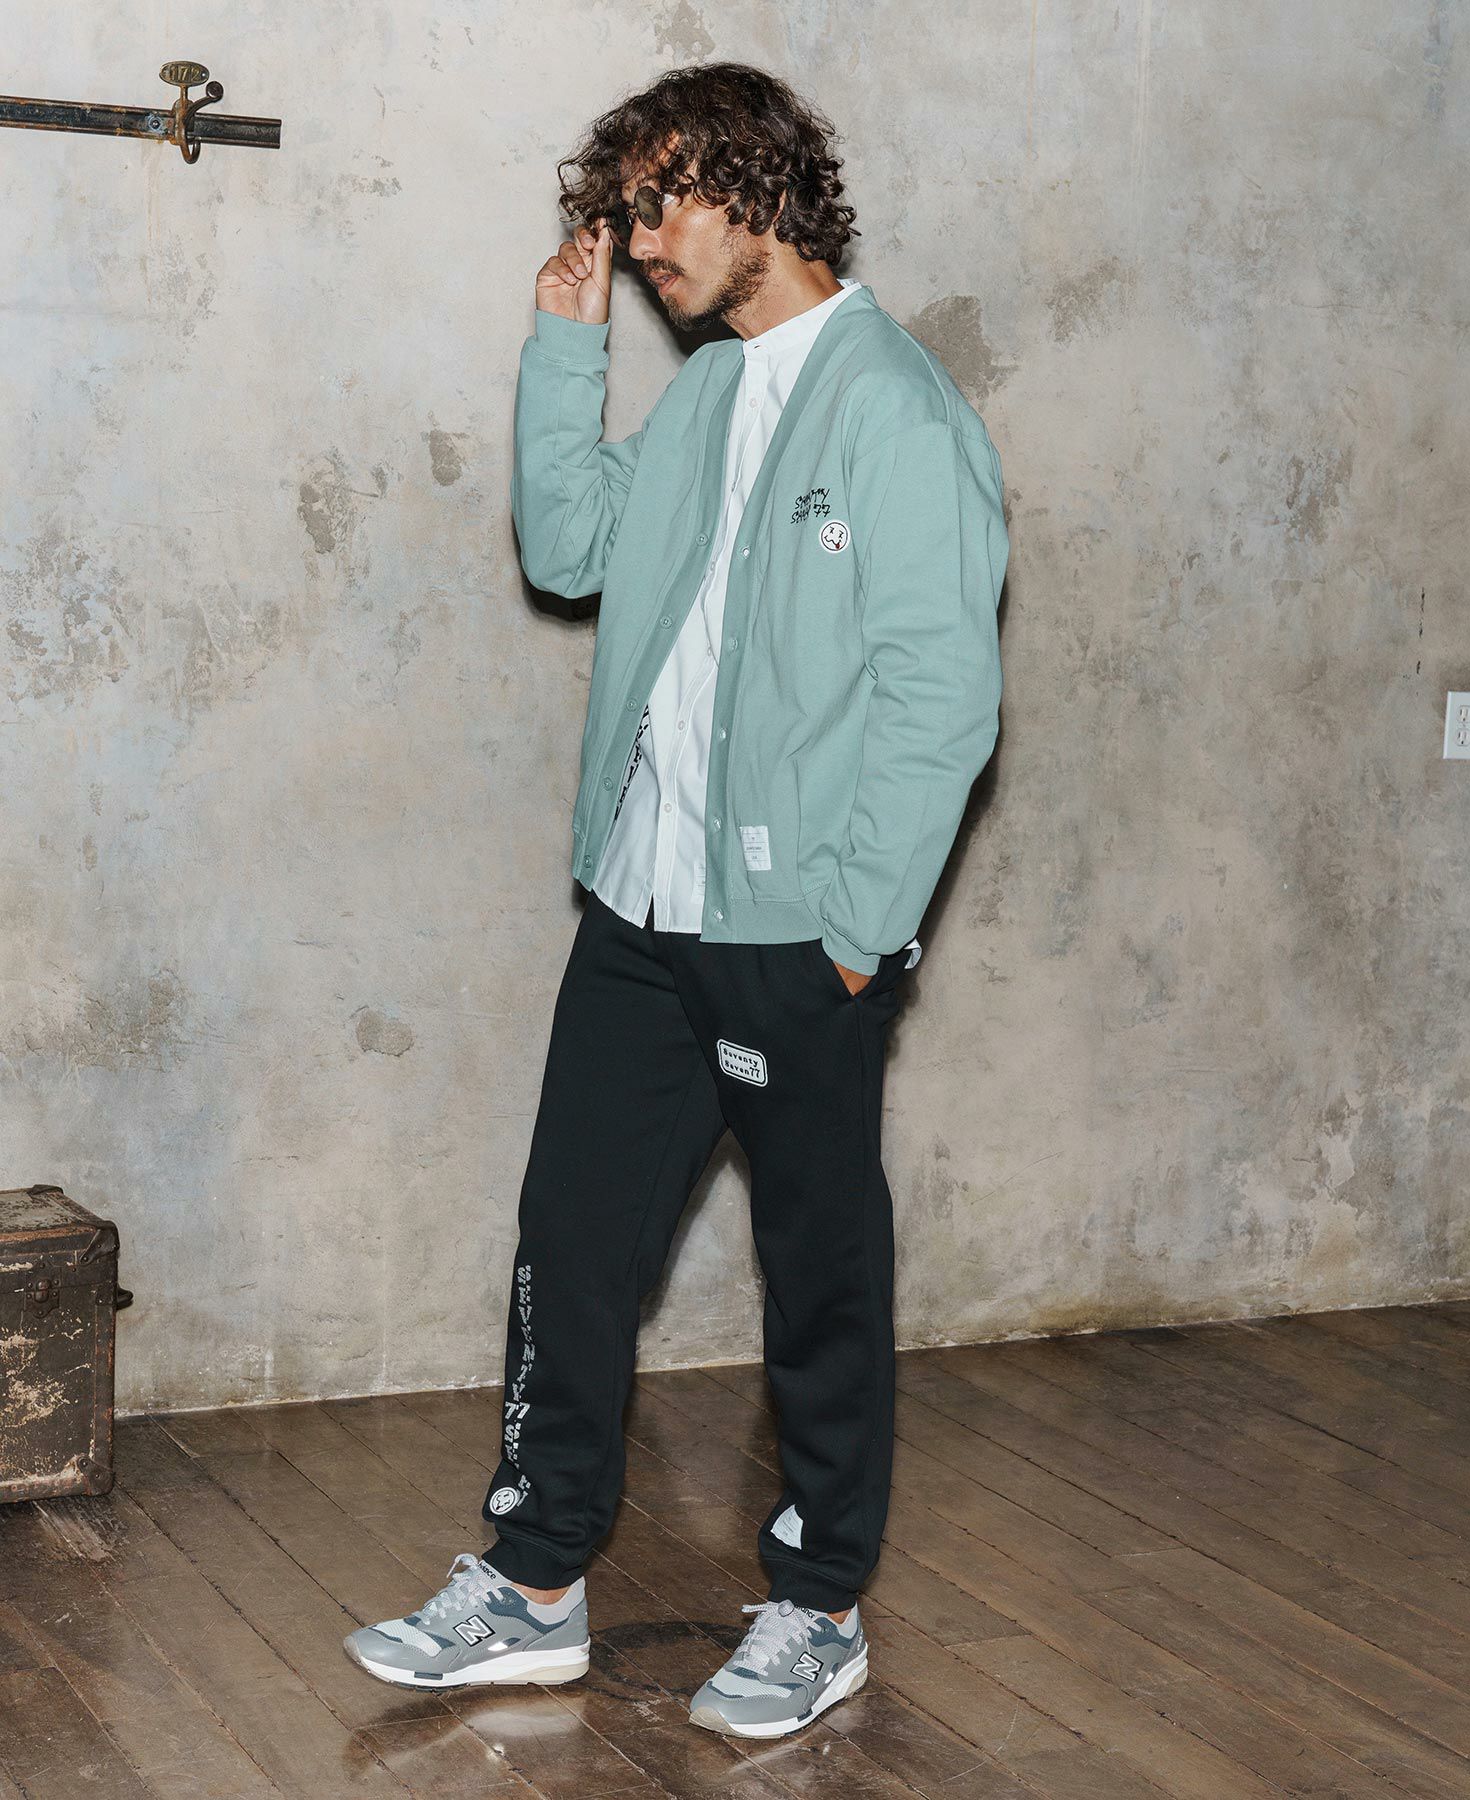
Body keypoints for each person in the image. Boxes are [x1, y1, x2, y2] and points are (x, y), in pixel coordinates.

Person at [344, 61, 1007, 1740]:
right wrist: (565, 349)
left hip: (798, 940)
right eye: (627, 213)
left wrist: (853, 934)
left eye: (662, 205)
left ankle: (819, 1605)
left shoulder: (899, 411)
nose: (640, 243)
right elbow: (573, 550)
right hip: (643, 915)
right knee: (570, 1245)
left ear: (762, 188)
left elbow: (942, 701)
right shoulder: (711, 394)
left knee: (818, 1276)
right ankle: (534, 1584)